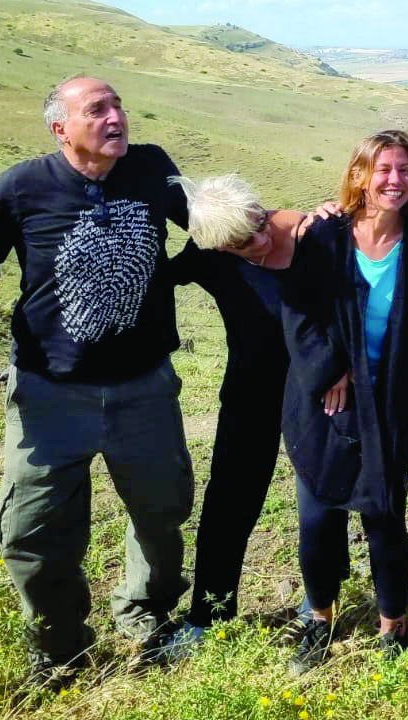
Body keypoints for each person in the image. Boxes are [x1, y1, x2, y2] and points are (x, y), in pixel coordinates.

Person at [0, 76, 193, 682]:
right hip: (49, 393)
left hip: (144, 388)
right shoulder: (23, 187)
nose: (116, 117)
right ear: (62, 129)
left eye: (118, 105)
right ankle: (60, 647)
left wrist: (304, 222)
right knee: (33, 531)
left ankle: (147, 620)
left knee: (161, 516)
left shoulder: (152, 167)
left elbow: (215, 226)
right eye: (97, 110)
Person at [279, 131, 408, 674]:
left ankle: (392, 623)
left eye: (404, 170)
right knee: (318, 516)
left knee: (384, 515)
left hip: (388, 405)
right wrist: (335, 368)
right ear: (360, 176)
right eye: (383, 169)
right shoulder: (326, 238)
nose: (394, 179)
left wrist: (395, 397)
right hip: (323, 400)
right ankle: (319, 617)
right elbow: (298, 314)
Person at [161, 174, 312, 655]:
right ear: (221, 247)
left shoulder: (312, 236)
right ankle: (209, 618)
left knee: (323, 502)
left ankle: (320, 604)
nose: (262, 239)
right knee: (227, 505)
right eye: (246, 241)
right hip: (250, 395)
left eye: (261, 222)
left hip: (319, 393)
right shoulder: (210, 254)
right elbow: (158, 281)